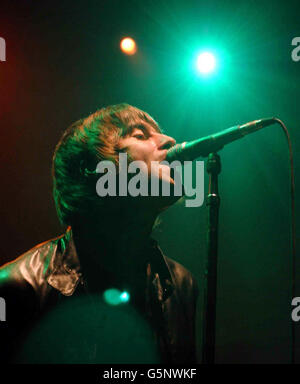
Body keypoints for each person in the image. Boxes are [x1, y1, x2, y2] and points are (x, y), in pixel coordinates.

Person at [0, 103, 199, 363]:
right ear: (92, 166)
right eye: (140, 135)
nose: (169, 140)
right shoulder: (18, 287)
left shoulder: (182, 285)